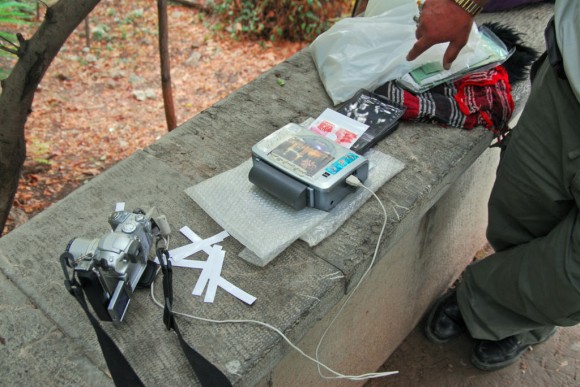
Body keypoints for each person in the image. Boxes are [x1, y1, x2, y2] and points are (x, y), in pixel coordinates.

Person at [407, 0, 580, 371]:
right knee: (522, 211)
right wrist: (463, 4)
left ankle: (482, 298)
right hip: (569, 85)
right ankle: (519, 317)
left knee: (572, 279)